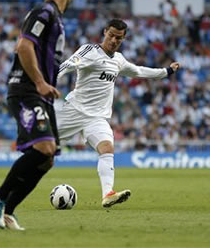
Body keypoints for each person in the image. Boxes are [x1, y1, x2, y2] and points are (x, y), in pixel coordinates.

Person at [56, 19, 180, 207]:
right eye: (111, 35)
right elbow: (67, 65)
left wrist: (166, 72)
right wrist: (47, 82)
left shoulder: (119, 60)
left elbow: (138, 71)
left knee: (107, 148)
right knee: (41, 146)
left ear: (124, 39)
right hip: (74, 111)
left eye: (119, 38)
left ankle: (108, 194)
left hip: (97, 118)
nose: (114, 40)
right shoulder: (89, 51)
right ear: (105, 32)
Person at [0, 0, 73, 230]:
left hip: (40, 93)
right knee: (43, 148)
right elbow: (23, 46)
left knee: (48, 158)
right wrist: (40, 82)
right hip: (27, 90)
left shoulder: (53, 17)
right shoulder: (44, 12)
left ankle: (8, 211)